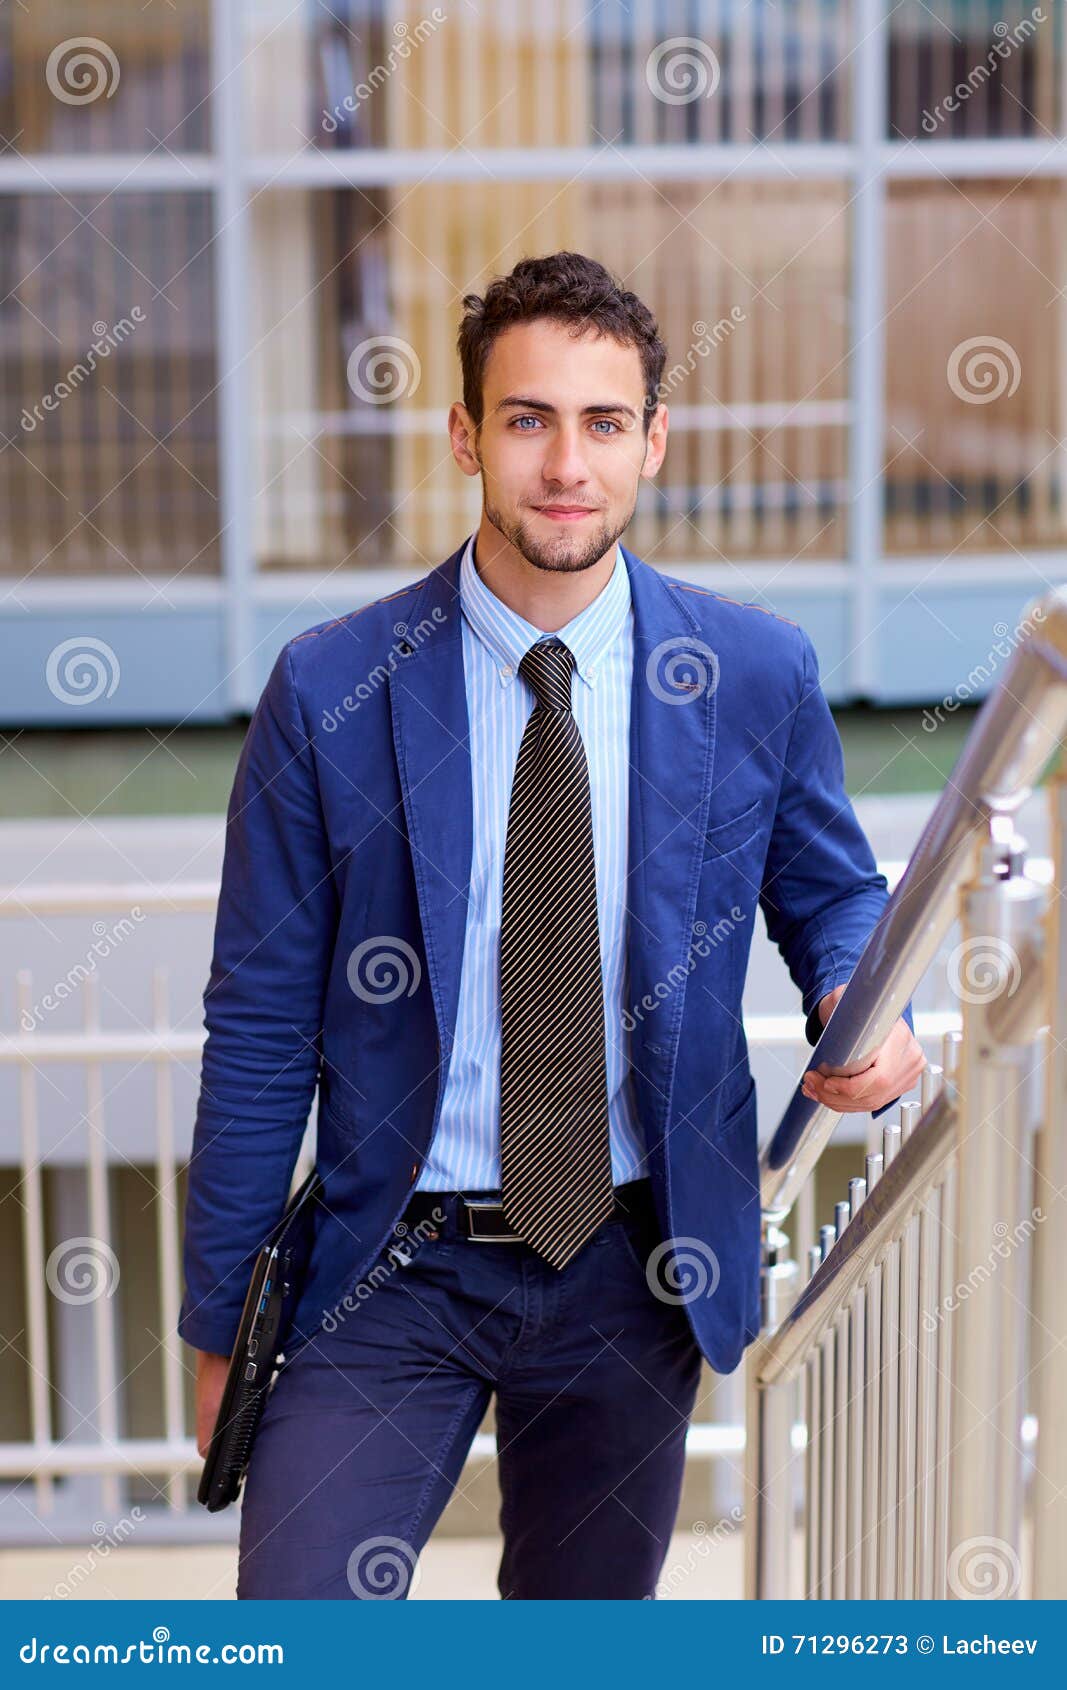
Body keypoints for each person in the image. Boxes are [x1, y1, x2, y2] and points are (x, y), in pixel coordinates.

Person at [179, 250, 923, 1600]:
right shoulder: (330, 686)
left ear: (654, 440)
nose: (565, 463)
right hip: (386, 1268)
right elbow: (258, 1029)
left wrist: (870, 1000)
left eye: (601, 422)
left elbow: (831, 889)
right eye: (527, 419)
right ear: (466, 434)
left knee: (576, 1650)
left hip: (634, 1267)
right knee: (296, 1634)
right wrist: (216, 1320)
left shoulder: (752, 670)